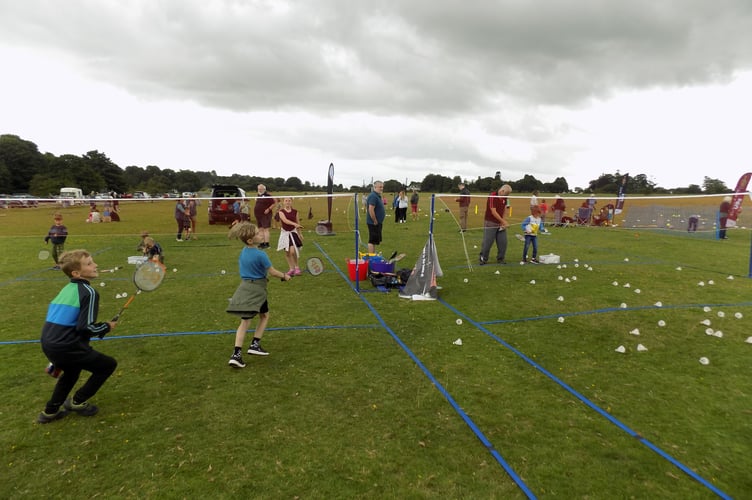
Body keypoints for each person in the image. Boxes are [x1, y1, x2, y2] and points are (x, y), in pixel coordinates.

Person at [37, 250, 118, 423]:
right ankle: (77, 402)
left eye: (93, 261)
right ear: (76, 273)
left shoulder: (67, 288)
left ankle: (49, 412)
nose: (95, 265)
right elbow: (85, 328)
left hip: (49, 342)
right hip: (67, 346)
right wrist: (106, 326)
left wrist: (56, 357)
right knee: (107, 365)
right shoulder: (89, 292)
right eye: (89, 263)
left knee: (71, 372)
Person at [226, 222, 292, 368]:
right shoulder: (261, 255)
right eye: (257, 233)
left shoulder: (243, 252)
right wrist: (285, 276)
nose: (261, 234)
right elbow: (272, 272)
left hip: (245, 288)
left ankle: (246, 349)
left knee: (254, 318)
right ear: (250, 240)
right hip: (256, 291)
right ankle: (245, 350)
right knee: (257, 319)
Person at [479, 184, 512, 265]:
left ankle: (500, 259)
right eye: (506, 194)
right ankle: (483, 258)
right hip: (490, 222)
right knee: (488, 242)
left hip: (500, 223)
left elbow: (504, 209)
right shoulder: (492, 196)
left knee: (503, 242)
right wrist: (504, 222)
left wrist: (502, 221)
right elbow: (493, 212)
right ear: (502, 191)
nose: (506, 196)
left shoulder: (505, 197)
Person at [277, 197, 304, 275]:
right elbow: (285, 220)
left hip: (293, 233)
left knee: (292, 251)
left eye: (289, 201)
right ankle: (291, 268)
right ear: (283, 202)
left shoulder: (295, 212)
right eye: (286, 201)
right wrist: (294, 224)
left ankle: (296, 267)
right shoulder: (281, 212)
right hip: (285, 233)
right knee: (287, 252)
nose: (287, 202)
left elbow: (298, 222)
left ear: (291, 202)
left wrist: (300, 233)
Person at [254, 184, 276, 249]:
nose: (260, 190)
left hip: (265, 215)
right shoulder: (258, 195)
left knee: (265, 229)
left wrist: (268, 209)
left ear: (264, 189)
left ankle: (267, 244)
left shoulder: (268, 196)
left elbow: (274, 203)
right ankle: (262, 243)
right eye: (259, 189)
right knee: (260, 229)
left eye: (261, 189)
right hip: (258, 215)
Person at [366, 181, 386, 254]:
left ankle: (373, 255)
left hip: (377, 222)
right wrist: (374, 220)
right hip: (373, 223)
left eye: (382, 187)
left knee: (374, 240)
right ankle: (371, 257)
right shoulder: (373, 196)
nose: (381, 188)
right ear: (375, 187)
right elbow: (371, 209)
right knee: (372, 240)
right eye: (380, 187)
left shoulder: (377, 196)